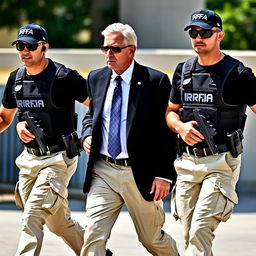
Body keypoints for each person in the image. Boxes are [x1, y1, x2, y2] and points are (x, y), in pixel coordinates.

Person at [80, 22, 179, 256]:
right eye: (105, 49)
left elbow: (167, 132)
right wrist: (86, 135)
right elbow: (91, 117)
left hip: (140, 173)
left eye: (115, 49)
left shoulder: (155, 81)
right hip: (103, 170)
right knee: (93, 234)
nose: (108, 54)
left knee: (151, 239)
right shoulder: (96, 78)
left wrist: (164, 175)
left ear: (131, 50)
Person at [166, 9, 256, 256]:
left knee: (199, 231)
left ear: (220, 35)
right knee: (188, 236)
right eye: (194, 32)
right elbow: (171, 112)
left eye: (205, 32)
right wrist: (180, 127)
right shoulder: (183, 71)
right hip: (186, 164)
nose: (198, 37)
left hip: (221, 164)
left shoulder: (238, 74)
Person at [0, 24, 89, 256]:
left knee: (32, 216)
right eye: (20, 46)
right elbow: (4, 118)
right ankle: (96, 252)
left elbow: (98, 107)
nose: (24, 51)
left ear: (44, 48)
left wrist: (91, 134)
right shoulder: (16, 79)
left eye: (30, 46)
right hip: (29, 160)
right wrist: (19, 125)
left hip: (58, 159)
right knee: (56, 222)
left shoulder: (64, 77)